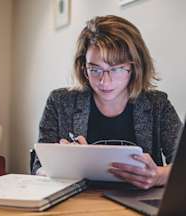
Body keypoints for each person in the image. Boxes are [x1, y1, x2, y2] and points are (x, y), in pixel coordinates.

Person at [32, 15, 182, 190]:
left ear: (134, 67)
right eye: (95, 69)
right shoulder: (60, 102)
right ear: (83, 67)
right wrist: (65, 166)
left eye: (116, 69)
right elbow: (38, 168)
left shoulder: (157, 104)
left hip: (140, 202)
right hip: (79, 203)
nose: (104, 81)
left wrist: (159, 176)